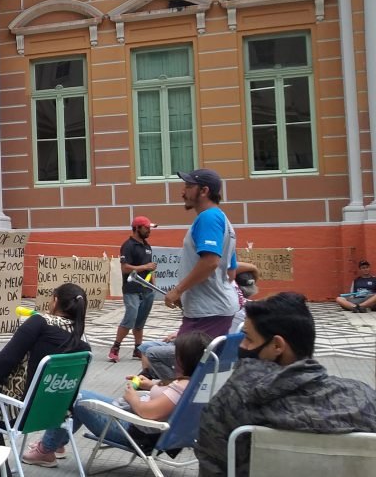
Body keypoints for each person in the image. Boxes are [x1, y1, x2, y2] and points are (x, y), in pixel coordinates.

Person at [196, 292, 376, 477]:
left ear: (277, 346)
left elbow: (213, 469)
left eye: (249, 339)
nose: (242, 345)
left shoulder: (230, 402)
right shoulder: (364, 399)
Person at [23, 332, 212, 467]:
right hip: (145, 430)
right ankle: (55, 443)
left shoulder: (181, 388)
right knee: (80, 395)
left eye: (176, 356)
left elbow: (148, 413)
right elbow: (167, 401)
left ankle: (46, 450)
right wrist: (151, 386)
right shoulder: (200, 384)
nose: (173, 360)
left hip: (133, 432)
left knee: (75, 399)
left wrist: (132, 398)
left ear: (185, 360)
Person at [0, 283, 91, 458]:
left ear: (55, 301)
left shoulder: (40, 323)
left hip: (16, 413)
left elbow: (6, 358)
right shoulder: (82, 344)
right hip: (53, 415)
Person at [162, 169, 239, 336]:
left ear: (204, 191)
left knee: (186, 361)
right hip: (214, 310)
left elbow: (210, 262)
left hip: (207, 312)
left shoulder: (208, 218)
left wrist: (178, 290)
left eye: (188, 187)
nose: (182, 192)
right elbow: (231, 273)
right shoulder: (223, 220)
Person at [113, 216, 158, 363]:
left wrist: (153, 285)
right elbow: (125, 268)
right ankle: (115, 348)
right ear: (137, 228)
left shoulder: (147, 246)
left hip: (147, 290)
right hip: (132, 289)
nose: (149, 230)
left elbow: (150, 268)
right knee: (130, 318)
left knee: (140, 322)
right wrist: (145, 267)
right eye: (147, 228)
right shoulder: (128, 245)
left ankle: (138, 350)